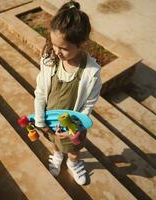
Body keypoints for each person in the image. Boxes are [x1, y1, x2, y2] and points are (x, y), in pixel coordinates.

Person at [34, 0, 102, 185]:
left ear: (82, 44)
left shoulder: (91, 73)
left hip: (73, 124)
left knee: (73, 147)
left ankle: (73, 162)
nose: (57, 52)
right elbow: (40, 92)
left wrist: (78, 126)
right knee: (54, 140)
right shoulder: (49, 61)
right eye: (54, 45)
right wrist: (40, 120)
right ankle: (57, 155)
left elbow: (88, 103)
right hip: (50, 116)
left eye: (63, 48)